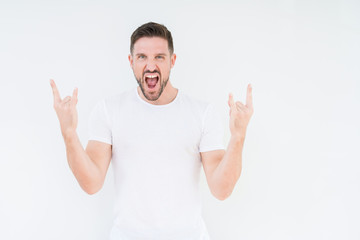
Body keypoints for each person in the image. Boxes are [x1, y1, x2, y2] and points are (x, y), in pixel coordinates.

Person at [50, 22, 253, 240]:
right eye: (142, 57)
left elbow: (221, 190)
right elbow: (91, 183)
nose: (150, 65)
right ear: (131, 62)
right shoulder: (109, 110)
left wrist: (238, 136)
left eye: (159, 57)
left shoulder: (202, 113)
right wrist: (69, 133)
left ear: (172, 61)